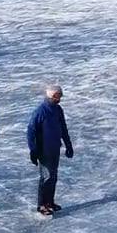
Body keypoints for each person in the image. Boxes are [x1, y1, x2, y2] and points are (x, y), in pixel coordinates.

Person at [27, 84, 74, 216]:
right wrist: (33, 150)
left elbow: (63, 128)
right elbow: (31, 132)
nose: (61, 98)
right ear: (54, 96)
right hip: (44, 150)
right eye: (60, 96)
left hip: (55, 149)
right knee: (46, 177)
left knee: (53, 176)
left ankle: (50, 202)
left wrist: (68, 145)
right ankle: (41, 205)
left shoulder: (58, 110)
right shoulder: (40, 111)